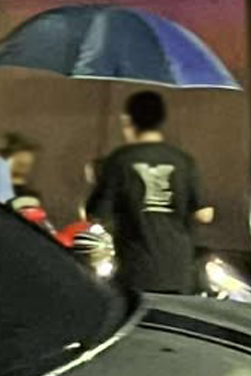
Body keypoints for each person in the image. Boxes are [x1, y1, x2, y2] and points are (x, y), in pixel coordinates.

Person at [87, 91, 214, 294]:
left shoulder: (120, 160)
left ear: (127, 120)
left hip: (136, 270)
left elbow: (97, 213)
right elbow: (205, 214)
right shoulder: (183, 160)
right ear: (161, 119)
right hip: (178, 269)